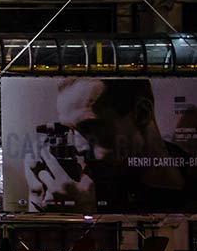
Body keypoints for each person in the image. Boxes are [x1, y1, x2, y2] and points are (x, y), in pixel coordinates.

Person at [24, 77, 196, 213]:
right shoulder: (87, 187)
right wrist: (38, 209)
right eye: (70, 130)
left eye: (91, 129)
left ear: (142, 114)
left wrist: (85, 221)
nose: (78, 146)